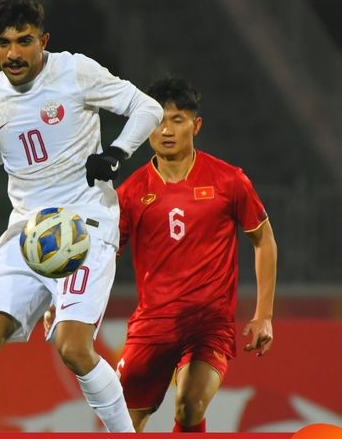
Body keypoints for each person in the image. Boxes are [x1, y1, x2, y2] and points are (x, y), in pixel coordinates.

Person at [0, 0, 162, 432]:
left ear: (43, 39)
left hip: (84, 225)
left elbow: (147, 107)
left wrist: (116, 152)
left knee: (74, 348)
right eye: (3, 43)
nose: (14, 53)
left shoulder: (75, 71)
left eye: (24, 40)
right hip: (26, 230)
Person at [114, 76, 277, 432]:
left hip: (208, 324)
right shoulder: (129, 194)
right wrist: (65, 301)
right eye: (157, 120)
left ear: (196, 125)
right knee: (122, 424)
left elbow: (264, 240)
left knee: (189, 405)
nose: (166, 130)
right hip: (151, 325)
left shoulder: (229, 181)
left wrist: (263, 314)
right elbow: (105, 257)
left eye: (177, 119)